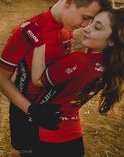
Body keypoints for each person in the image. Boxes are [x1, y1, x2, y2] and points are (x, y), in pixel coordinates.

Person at [0, 0, 112, 156]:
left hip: (51, 118)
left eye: (90, 20)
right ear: (69, 2)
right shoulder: (27, 30)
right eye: (85, 17)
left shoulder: (66, 29)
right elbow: (1, 79)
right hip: (25, 113)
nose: (85, 25)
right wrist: (31, 110)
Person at [30, 8, 124, 157]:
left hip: (49, 136)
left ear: (112, 40)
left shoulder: (80, 60)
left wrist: (39, 41)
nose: (86, 28)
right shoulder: (109, 68)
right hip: (74, 140)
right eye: (91, 22)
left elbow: (38, 80)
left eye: (97, 27)